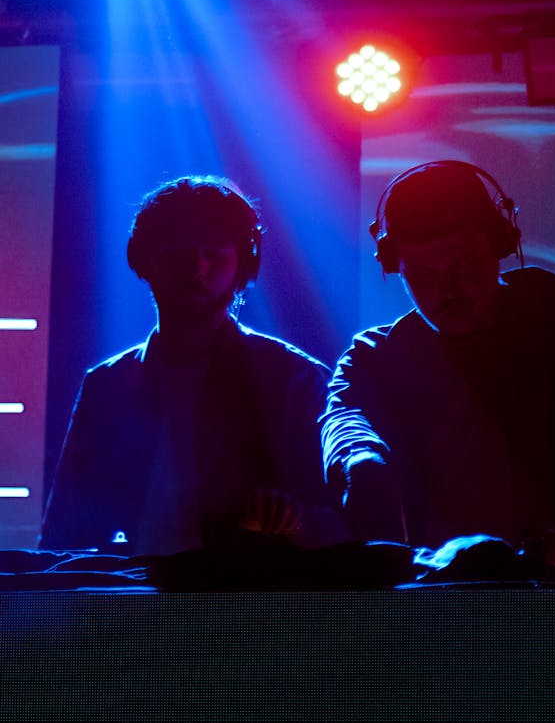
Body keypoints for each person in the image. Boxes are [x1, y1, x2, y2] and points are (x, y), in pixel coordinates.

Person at [321, 160, 555, 584]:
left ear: (500, 247)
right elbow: (345, 420)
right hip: (446, 605)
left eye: (466, 268)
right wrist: (360, 459)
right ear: (397, 268)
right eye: (424, 277)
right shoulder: (376, 358)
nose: (448, 291)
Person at [40, 175, 344, 555]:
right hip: (132, 591)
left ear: (243, 263)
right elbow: (63, 534)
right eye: (178, 254)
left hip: (250, 591)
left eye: (214, 254)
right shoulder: (107, 386)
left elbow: (340, 520)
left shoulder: (291, 378)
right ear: (145, 260)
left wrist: (294, 521)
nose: (197, 269)